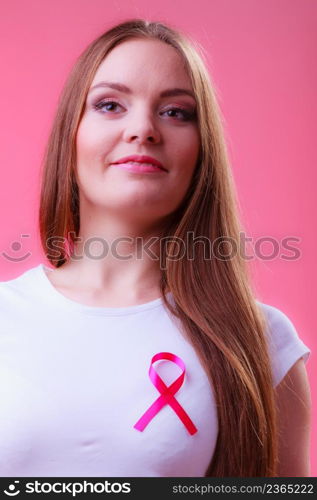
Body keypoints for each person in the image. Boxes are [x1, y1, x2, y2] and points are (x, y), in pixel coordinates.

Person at [0, 19, 311, 478]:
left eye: (176, 112)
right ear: (71, 134)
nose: (143, 129)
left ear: (202, 152)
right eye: (110, 105)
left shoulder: (262, 345)